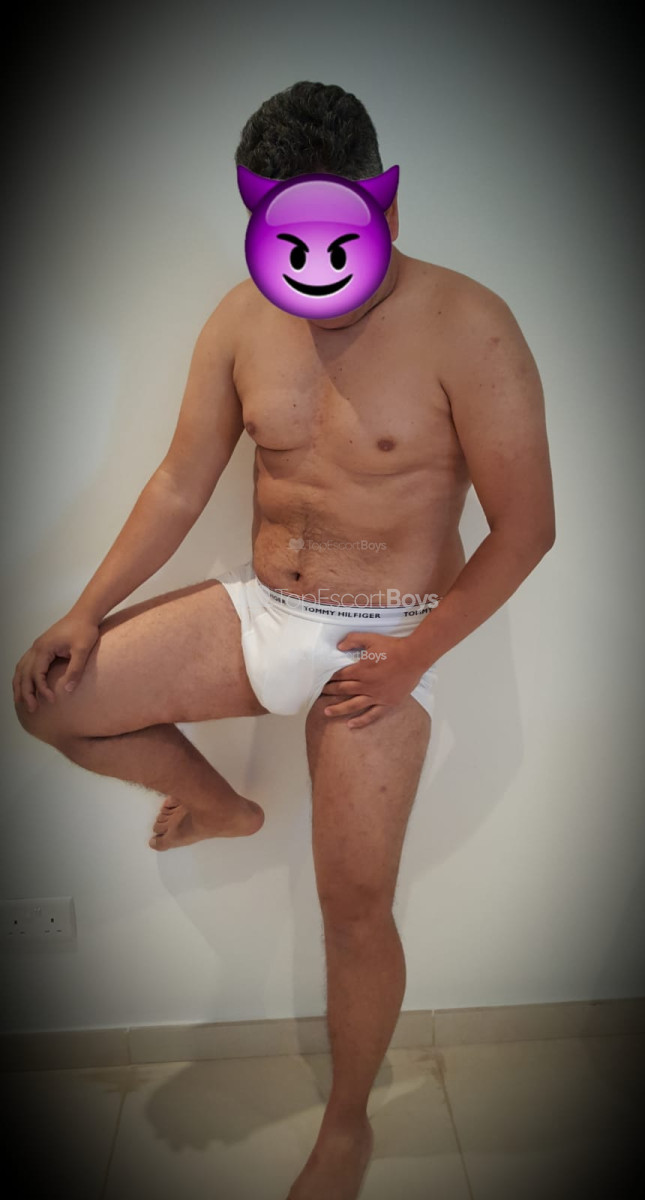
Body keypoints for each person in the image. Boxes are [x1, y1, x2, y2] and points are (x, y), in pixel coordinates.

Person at [12, 80, 555, 1200]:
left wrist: (417, 657)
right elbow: (179, 483)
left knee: (353, 910)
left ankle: (346, 1129)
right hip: (266, 611)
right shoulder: (240, 318)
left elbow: (527, 528)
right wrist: (82, 609)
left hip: (388, 642)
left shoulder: (470, 324)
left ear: (385, 207)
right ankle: (222, 806)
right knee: (54, 700)